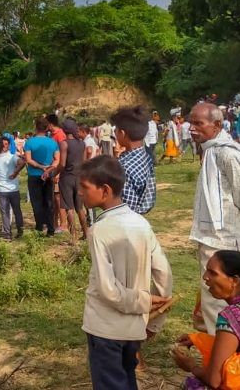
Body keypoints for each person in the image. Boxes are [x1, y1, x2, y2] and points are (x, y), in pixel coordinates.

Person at [79, 155, 173, 390]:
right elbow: (163, 274)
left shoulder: (99, 231)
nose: (80, 193)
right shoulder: (141, 223)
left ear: (105, 190)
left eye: (85, 187)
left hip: (104, 328)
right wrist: (155, 320)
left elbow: (108, 290)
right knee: (127, 380)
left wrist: (143, 301)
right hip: (133, 329)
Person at [188, 102, 240, 335]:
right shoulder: (210, 150)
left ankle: (222, 360)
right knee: (211, 302)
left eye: (198, 123)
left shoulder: (227, 154)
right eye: (190, 122)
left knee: (220, 303)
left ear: (217, 125)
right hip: (211, 239)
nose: (191, 128)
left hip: (225, 241)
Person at [172, 250, 240, 389]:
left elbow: (214, 380)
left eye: (213, 273)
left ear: (234, 280)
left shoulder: (231, 316)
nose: (205, 277)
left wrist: (191, 366)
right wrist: (198, 339)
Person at [48, 118, 88, 240]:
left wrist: (54, 173)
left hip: (67, 178)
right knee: (80, 208)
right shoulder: (82, 143)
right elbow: (85, 162)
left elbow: (62, 164)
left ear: (65, 130)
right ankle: (86, 234)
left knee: (69, 208)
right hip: (79, 177)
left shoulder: (64, 143)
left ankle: (74, 237)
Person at [112, 105, 157, 215]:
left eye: (116, 131)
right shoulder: (146, 157)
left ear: (122, 134)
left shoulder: (123, 166)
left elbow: (127, 206)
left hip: (126, 220)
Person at [24, 117, 60, 236]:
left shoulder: (29, 142)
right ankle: (51, 228)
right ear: (47, 128)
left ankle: (40, 226)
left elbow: (28, 160)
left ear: (36, 127)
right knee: (49, 202)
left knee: (37, 202)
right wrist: (48, 169)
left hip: (34, 175)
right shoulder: (53, 143)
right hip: (48, 175)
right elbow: (57, 160)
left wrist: (40, 167)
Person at [0, 139, 26, 238]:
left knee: (5, 213)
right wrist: (15, 172)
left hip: (1, 191)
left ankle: (7, 234)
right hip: (13, 189)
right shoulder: (11, 157)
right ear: (3, 147)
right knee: (17, 211)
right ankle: (20, 231)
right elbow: (22, 163)